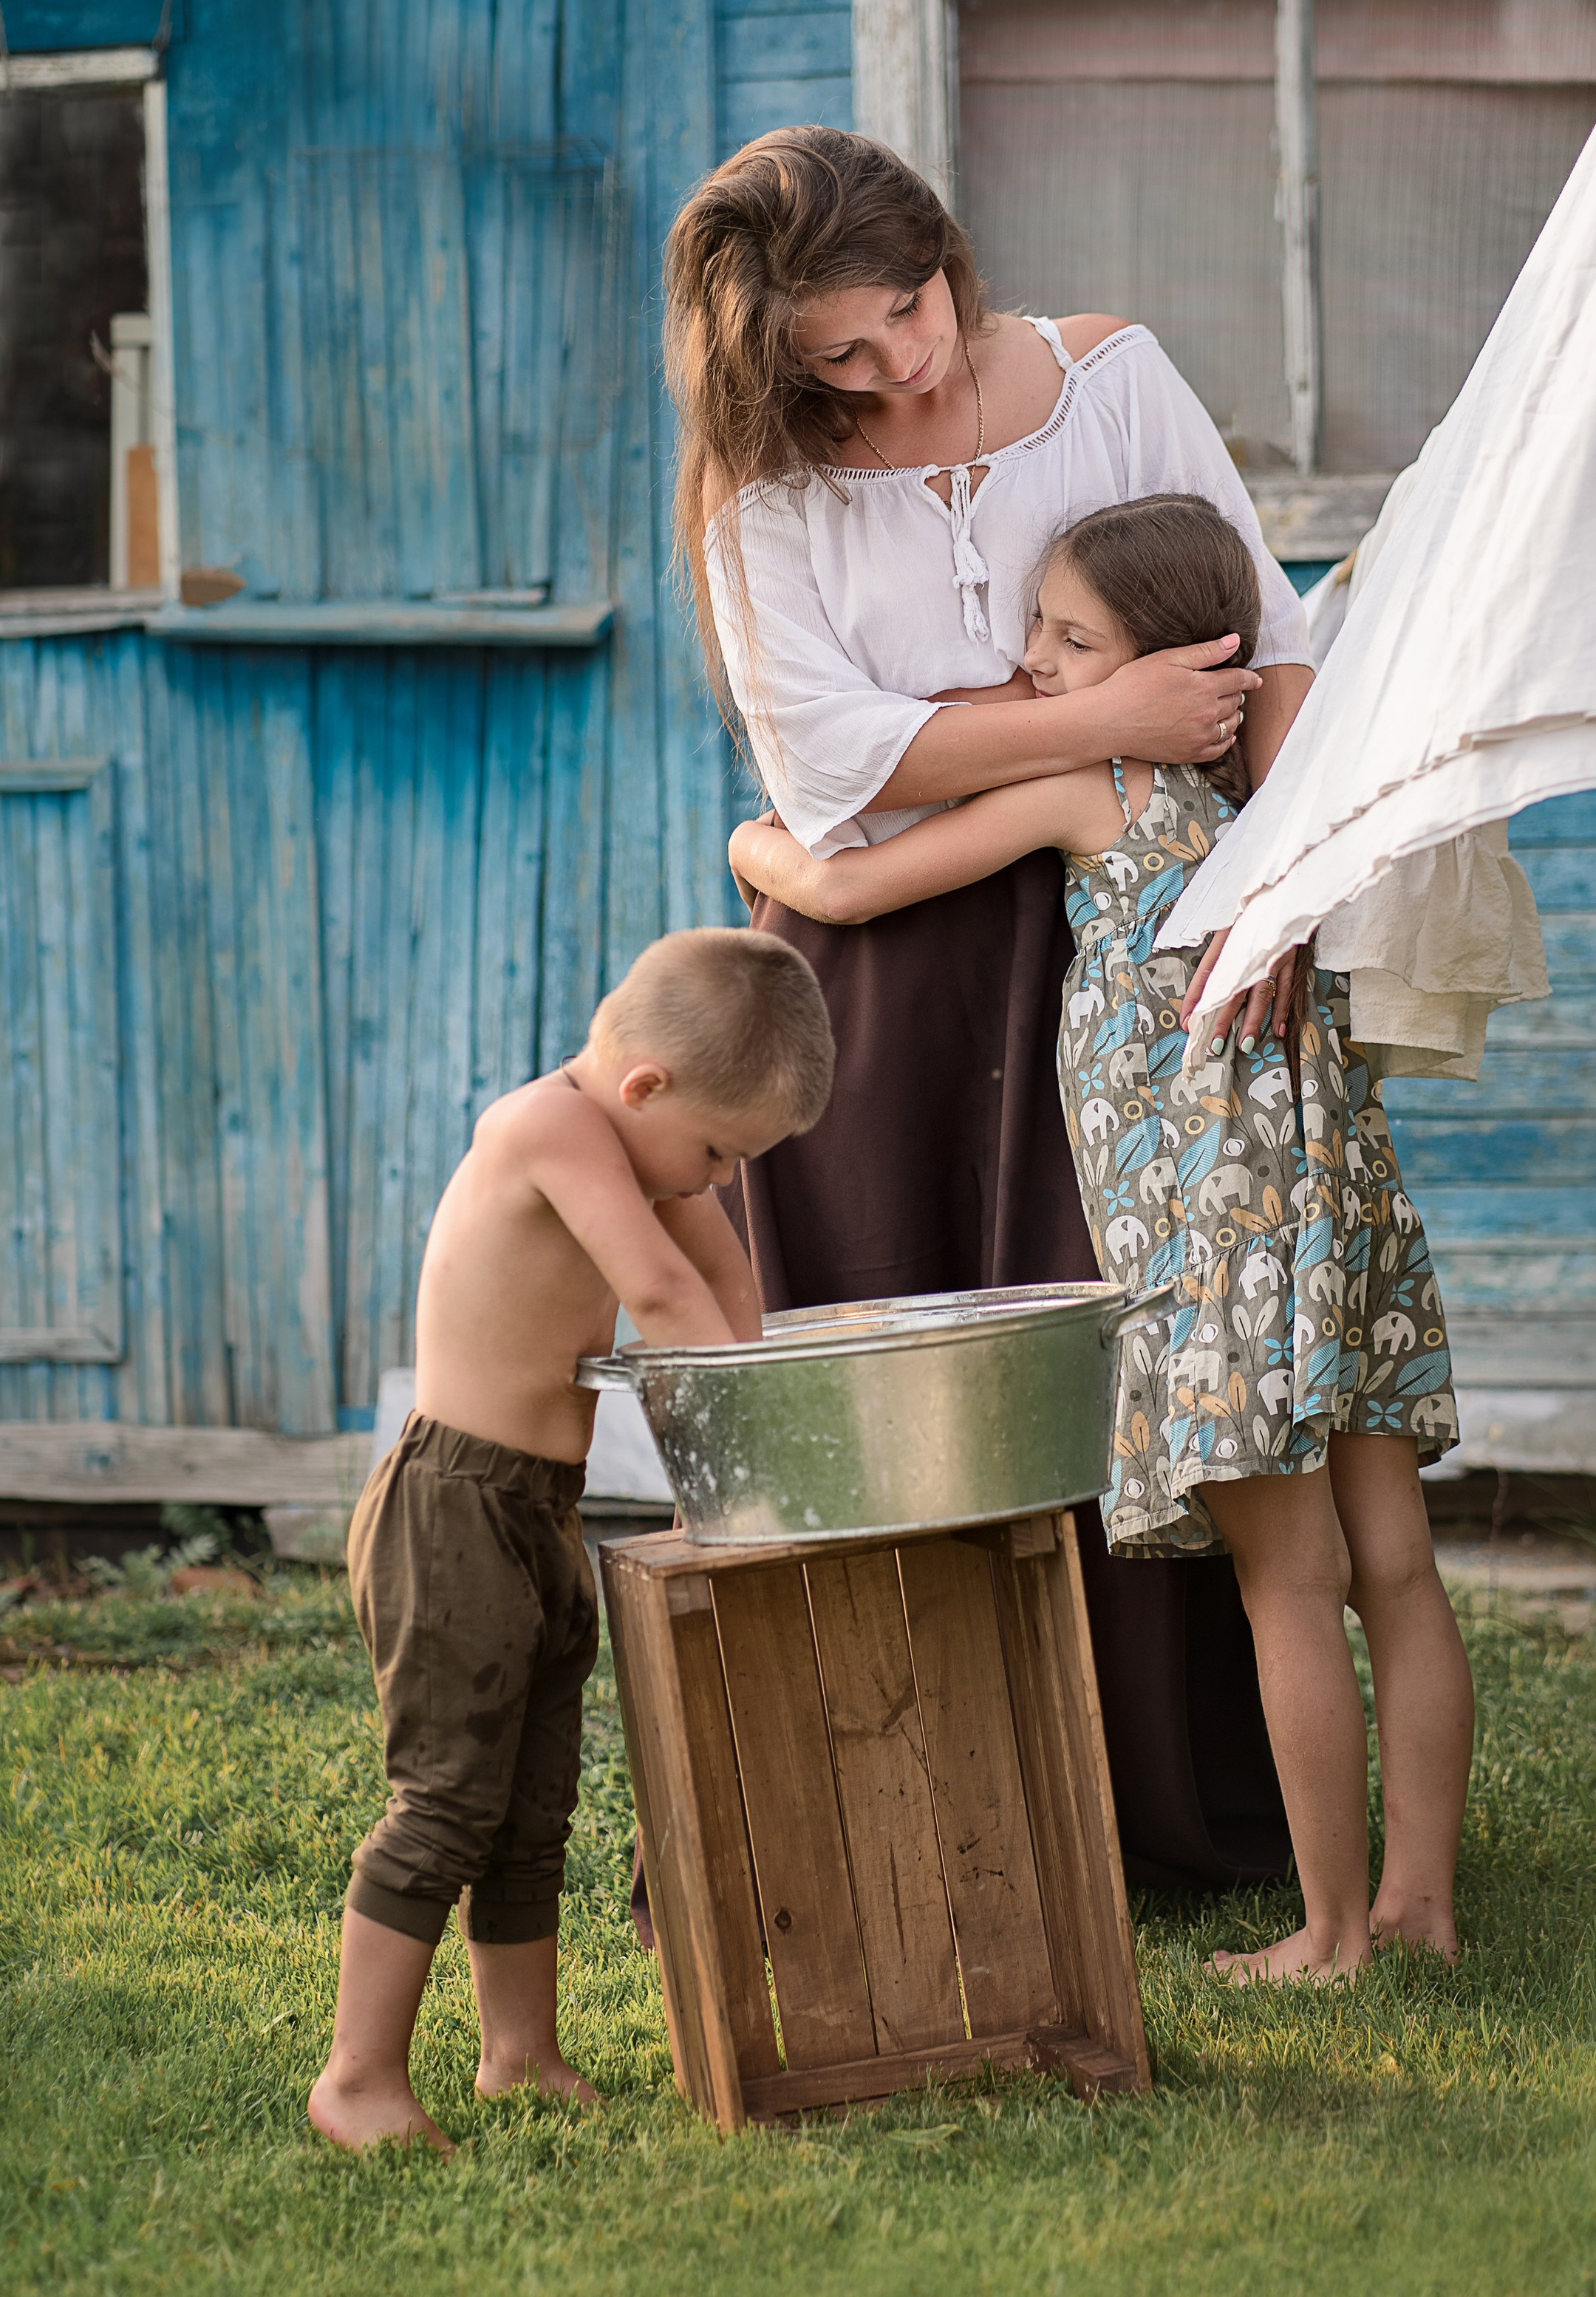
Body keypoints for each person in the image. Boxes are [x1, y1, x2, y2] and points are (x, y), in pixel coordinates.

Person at [666, 124, 1315, 1891]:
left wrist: (1275, 900)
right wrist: (1106, 721)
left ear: (943, 253)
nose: (895, 370)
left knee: (1112, 1368)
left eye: (905, 316)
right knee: (895, 1370)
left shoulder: (1111, 383)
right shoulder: (764, 489)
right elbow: (830, 769)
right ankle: (902, 1811)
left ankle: (1139, 1811)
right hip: (868, 984)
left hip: (1117, 946)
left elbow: (1261, 644)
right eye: (840, 362)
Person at [731, 496, 1473, 1982]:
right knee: (1392, 1564)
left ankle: (1329, 1934)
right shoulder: (1294, 813)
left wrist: (758, 834)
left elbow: (856, 877)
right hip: (1337, 1204)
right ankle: (1418, 1905)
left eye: (1071, 639)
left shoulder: (1102, 785)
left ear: (1176, 665)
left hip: (1215, 1229)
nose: (1036, 663)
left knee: (1284, 1576)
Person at [308, 929, 833, 2151]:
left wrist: (753, 1445)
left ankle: (519, 2053)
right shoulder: (544, 1130)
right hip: (451, 1511)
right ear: (645, 1085)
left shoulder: (649, 1147)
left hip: (542, 1508)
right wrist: (738, 1480)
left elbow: (727, 1290)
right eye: (716, 1151)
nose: (714, 1177)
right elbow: (658, 1295)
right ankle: (358, 2079)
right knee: (445, 1803)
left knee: (532, 1803)